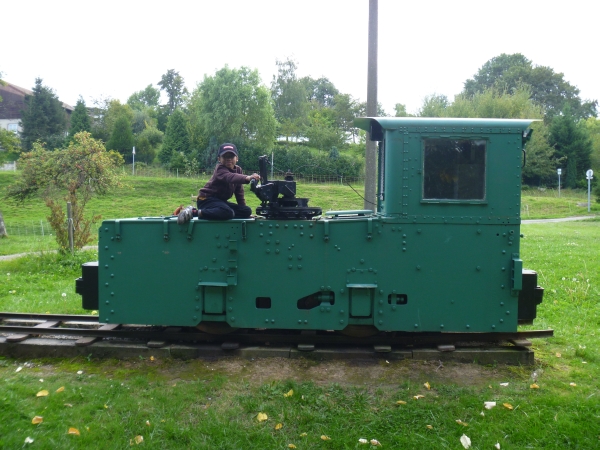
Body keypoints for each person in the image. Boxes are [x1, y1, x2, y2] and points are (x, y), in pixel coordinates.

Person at [176, 143, 260, 224]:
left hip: (219, 202)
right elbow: (230, 177)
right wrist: (248, 178)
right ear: (219, 159)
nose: (228, 159)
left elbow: (239, 193)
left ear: (237, 158)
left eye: (231, 156)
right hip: (206, 200)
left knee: (247, 210)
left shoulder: (238, 170)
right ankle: (194, 212)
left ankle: (221, 213)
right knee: (227, 212)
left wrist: (244, 212)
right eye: (225, 156)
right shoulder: (220, 169)